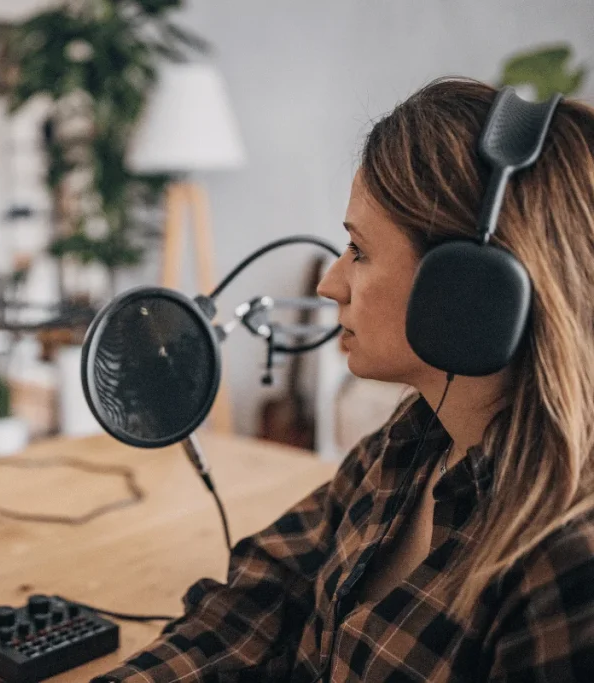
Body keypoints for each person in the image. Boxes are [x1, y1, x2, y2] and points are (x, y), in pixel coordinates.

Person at [95, 78, 594, 681]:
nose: (329, 284)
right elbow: (261, 597)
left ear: (469, 293)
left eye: (358, 251)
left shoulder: (565, 567)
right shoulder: (413, 442)